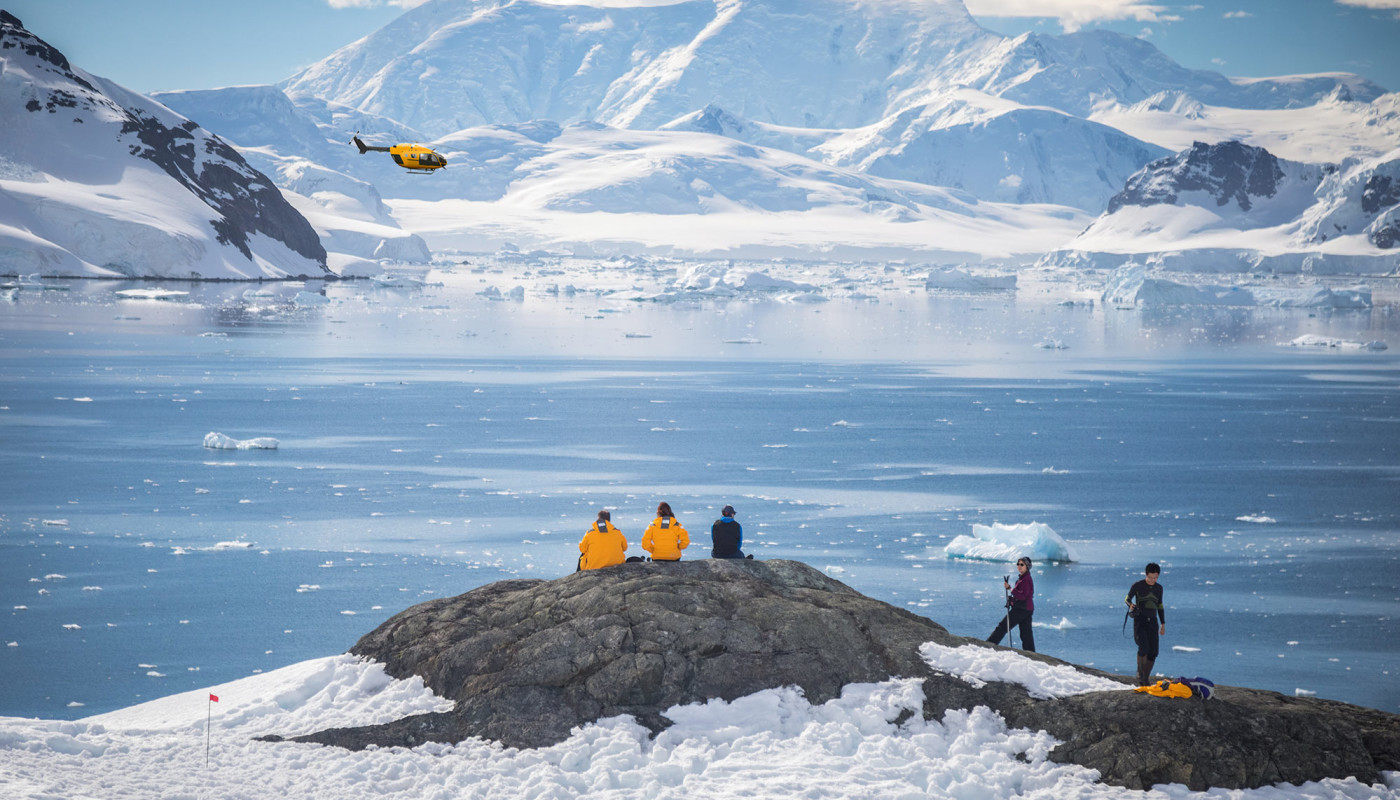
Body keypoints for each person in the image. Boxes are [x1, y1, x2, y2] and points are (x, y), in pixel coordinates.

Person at [1126, 562, 1165, 686]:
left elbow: (1160, 605)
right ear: (1146, 574)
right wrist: (1130, 604)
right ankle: (1140, 674)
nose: (1153, 580)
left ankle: (1146, 678)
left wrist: (1163, 623)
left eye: (1155, 577)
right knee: (1143, 648)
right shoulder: (1137, 585)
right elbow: (1127, 598)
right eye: (1151, 577)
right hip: (1140, 621)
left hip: (1153, 622)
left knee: (1154, 652)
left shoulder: (1159, 588)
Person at [987, 556, 1035, 652]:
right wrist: (1012, 601)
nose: (1019, 566)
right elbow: (1022, 597)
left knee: (1002, 627)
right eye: (1018, 564)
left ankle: (988, 645)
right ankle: (1031, 654)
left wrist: (1010, 589)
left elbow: (1022, 596)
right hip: (1027, 609)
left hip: (1021, 609)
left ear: (1027, 566)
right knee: (1026, 634)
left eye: (1022, 564)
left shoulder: (1025, 579)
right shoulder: (1024, 578)